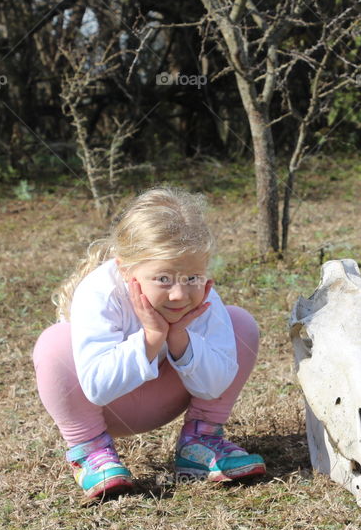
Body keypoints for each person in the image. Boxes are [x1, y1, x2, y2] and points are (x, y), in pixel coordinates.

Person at [33, 187, 265, 499]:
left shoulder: (205, 301)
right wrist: (152, 338)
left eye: (193, 278)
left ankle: (201, 441)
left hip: (167, 396)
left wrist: (180, 339)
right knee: (53, 343)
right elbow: (97, 387)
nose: (180, 295)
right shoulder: (99, 293)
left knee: (241, 325)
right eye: (164, 279)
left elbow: (215, 386)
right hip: (106, 406)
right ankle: (91, 453)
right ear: (126, 269)